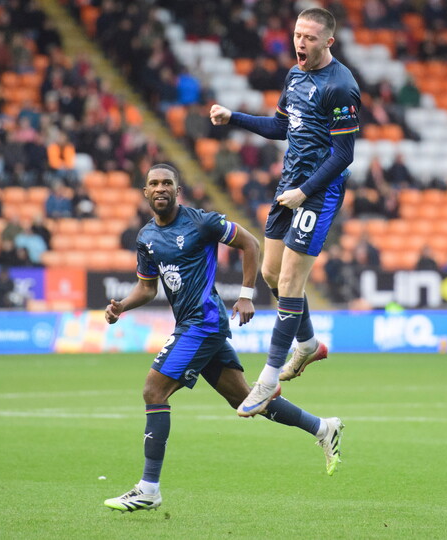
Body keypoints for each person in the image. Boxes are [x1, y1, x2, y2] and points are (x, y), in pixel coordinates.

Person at [102, 164, 344, 513]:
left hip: (204, 323)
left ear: (177, 189)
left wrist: (246, 294)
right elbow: (147, 287)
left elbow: (250, 243)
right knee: (244, 398)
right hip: (193, 324)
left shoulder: (201, 222)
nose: (160, 188)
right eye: (153, 183)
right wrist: (121, 307)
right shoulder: (146, 238)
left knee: (154, 391)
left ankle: (148, 488)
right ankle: (323, 427)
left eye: (167, 182)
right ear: (144, 191)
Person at [209, 7, 360, 415]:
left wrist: (305, 191)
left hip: (319, 191)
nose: (300, 43)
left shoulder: (342, 86)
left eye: (310, 38)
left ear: (328, 41)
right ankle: (309, 344)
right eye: (297, 35)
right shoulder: (294, 77)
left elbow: (344, 154)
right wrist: (233, 117)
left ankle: (267, 379)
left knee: (291, 281)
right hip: (289, 185)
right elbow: (282, 127)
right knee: (271, 274)